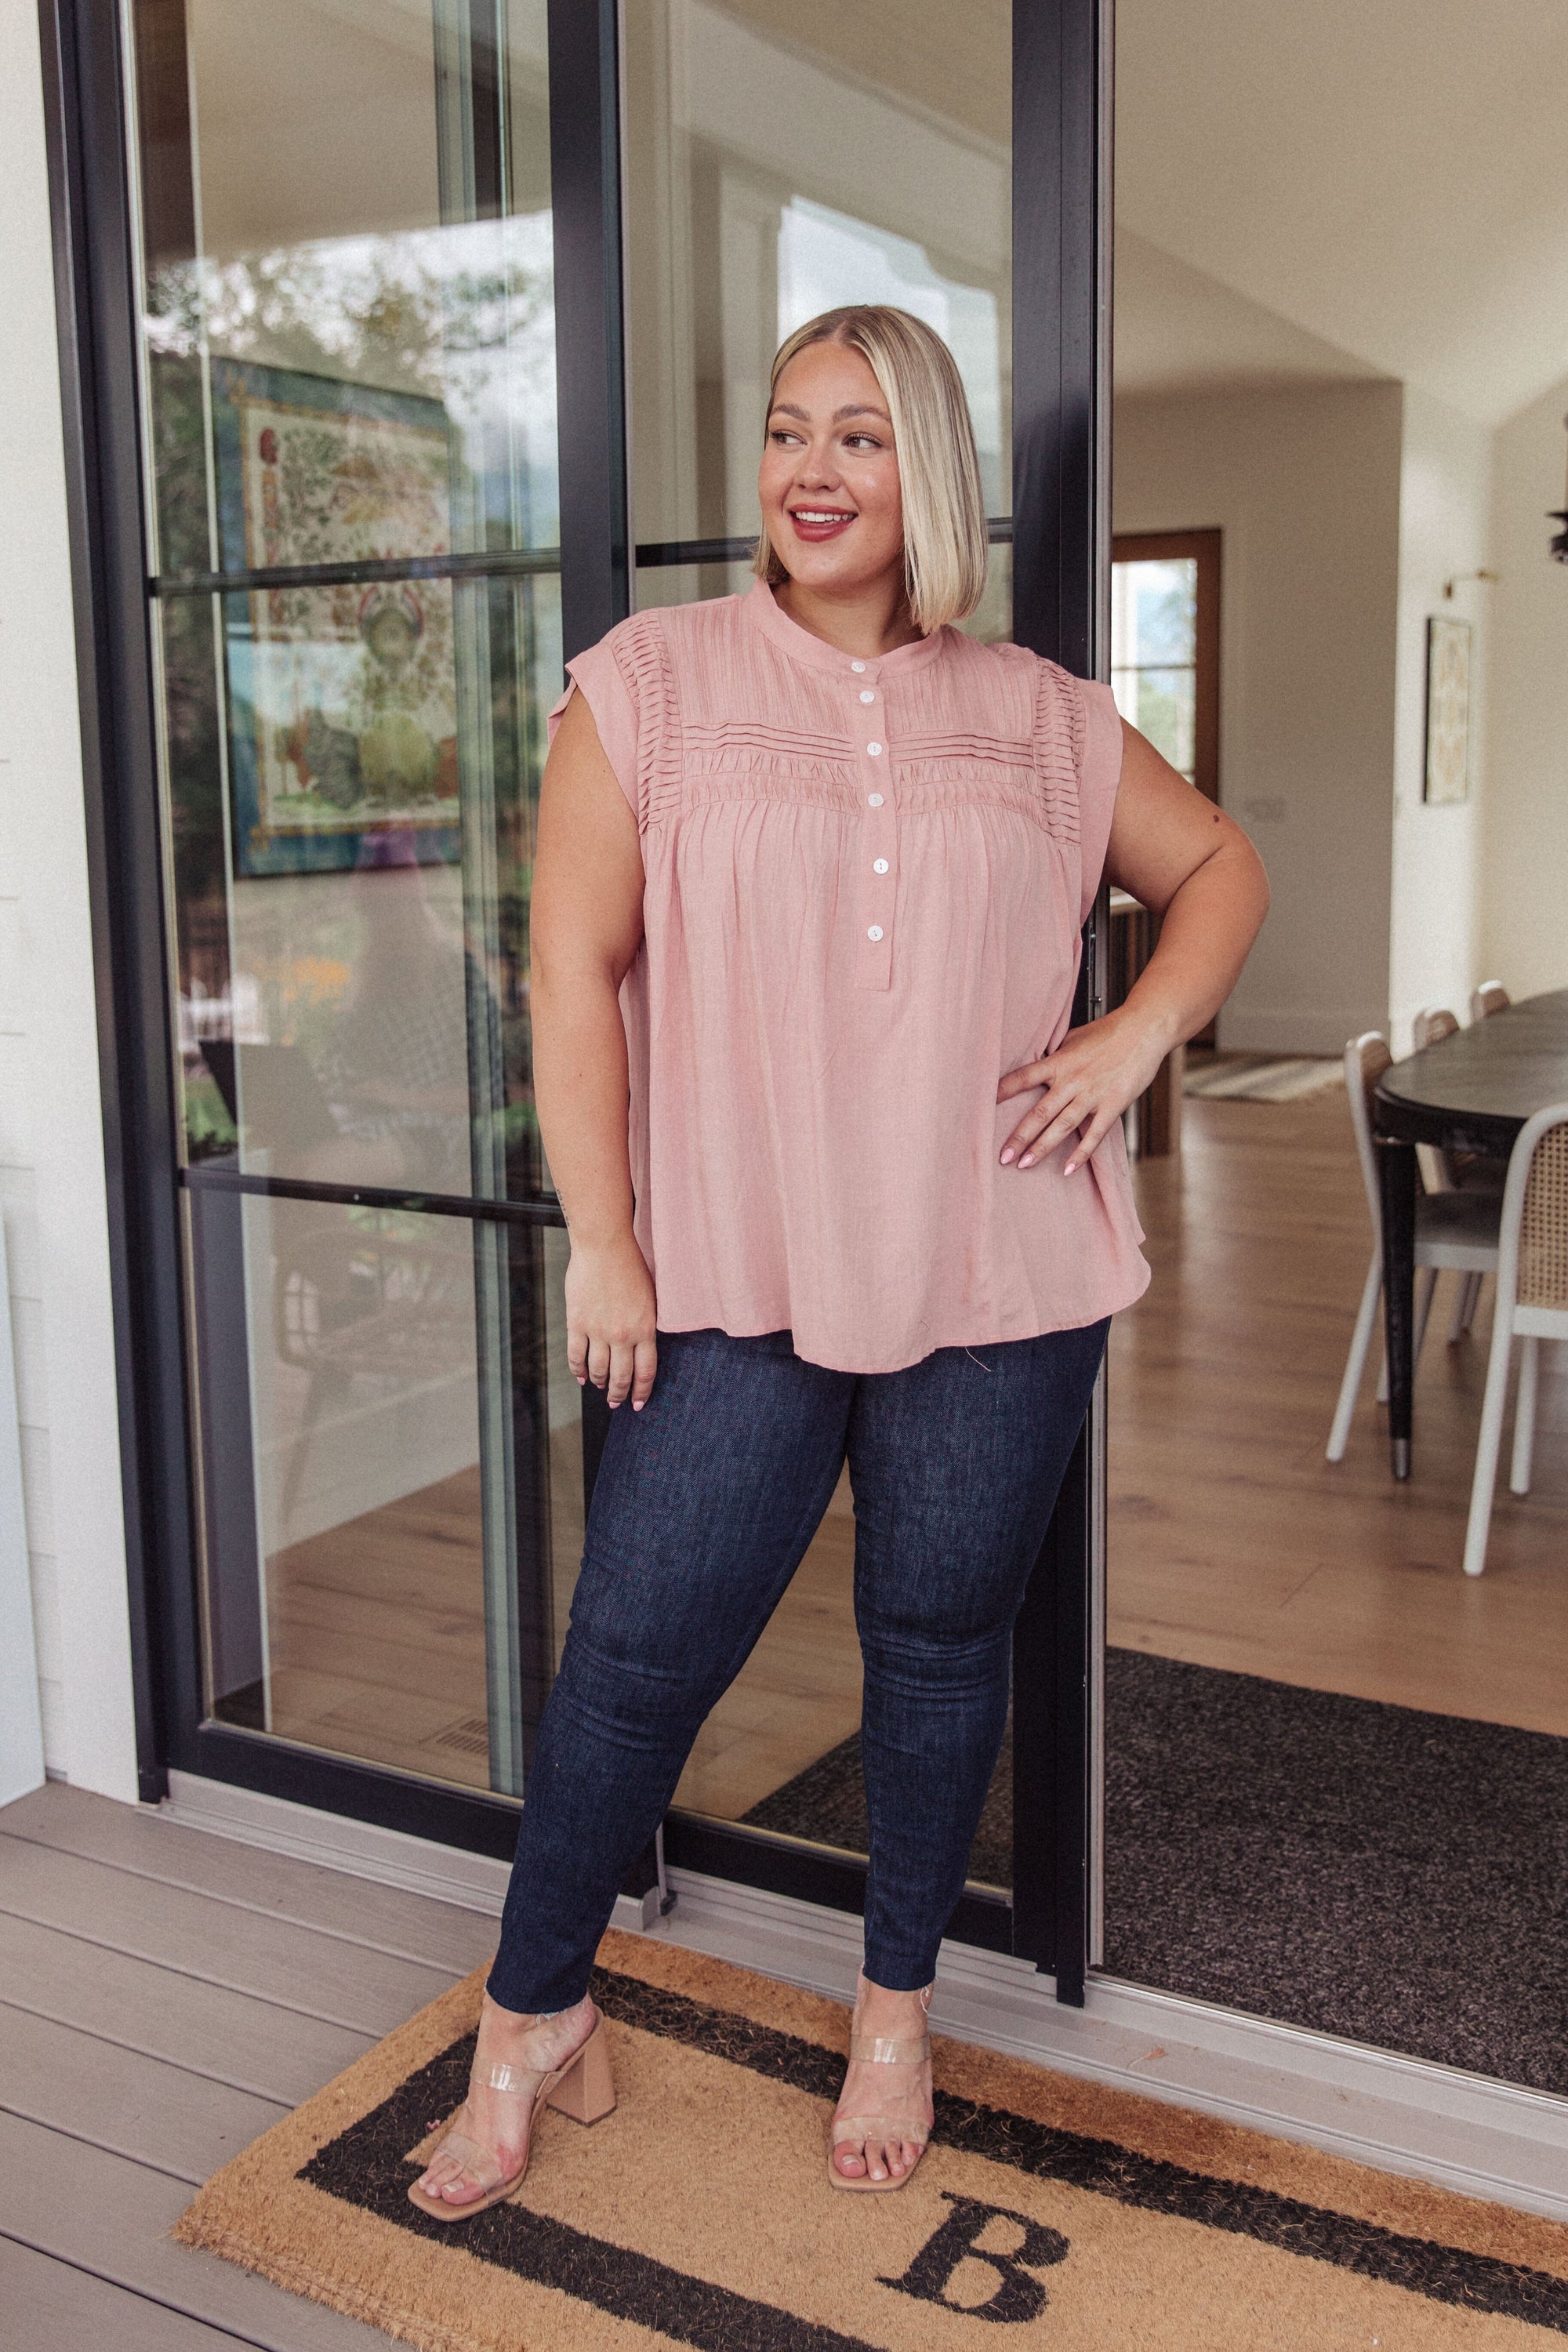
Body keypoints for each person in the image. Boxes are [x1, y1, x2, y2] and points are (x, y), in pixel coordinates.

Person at [411, 304, 1268, 2217]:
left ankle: (895, 2013)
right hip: (729, 1266)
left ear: (929, 474)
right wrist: (607, 1249)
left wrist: (1131, 1040)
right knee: (631, 1666)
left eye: (861, 437)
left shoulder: (1040, 712)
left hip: (999, 1268)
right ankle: (531, 2008)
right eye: (789, 430)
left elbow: (1217, 870)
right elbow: (572, 977)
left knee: (937, 1655)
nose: (810, 468)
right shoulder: (648, 687)